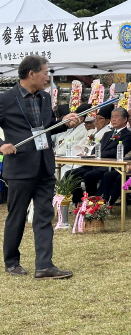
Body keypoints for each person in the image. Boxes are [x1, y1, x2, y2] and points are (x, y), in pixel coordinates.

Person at [1, 55, 80, 279]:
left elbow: (46, 128)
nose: (48, 77)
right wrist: (1, 145)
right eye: (46, 72)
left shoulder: (45, 98)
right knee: (16, 216)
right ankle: (12, 261)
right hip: (20, 167)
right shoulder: (6, 98)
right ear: (31, 74)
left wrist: (65, 123)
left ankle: (44, 265)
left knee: (44, 215)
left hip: (45, 165)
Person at [69, 108, 131, 204]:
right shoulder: (107, 133)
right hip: (96, 164)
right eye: (112, 117)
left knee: (89, 176)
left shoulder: (128, 135)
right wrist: (93, 154)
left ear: (125, 119)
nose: (113, 119)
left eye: (116, 117)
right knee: (71, 173)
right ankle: (78, 201)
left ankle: (94, 201)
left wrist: (98, 154)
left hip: (109, 166)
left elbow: (119, 151)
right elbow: (98, 147)